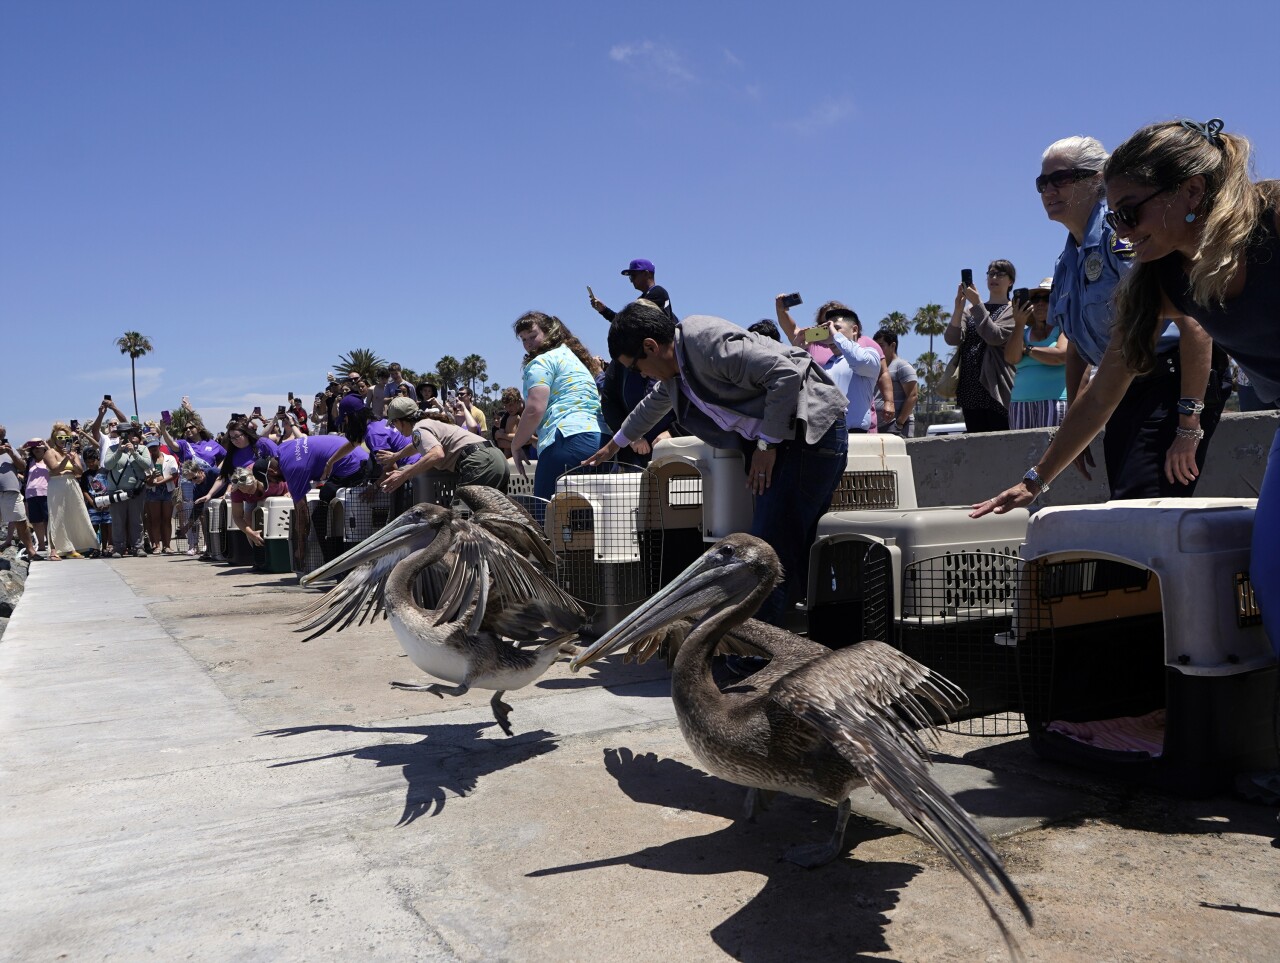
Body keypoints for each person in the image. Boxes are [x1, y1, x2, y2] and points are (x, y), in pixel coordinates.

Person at [973, 118, 1280, 804]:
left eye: (1132, 210)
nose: (1123, 227)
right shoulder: (1159, 273)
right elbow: (1106, 384)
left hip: (1193, 399)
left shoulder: (1270, 225)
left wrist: (1188, 423)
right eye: (1115, 214)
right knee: (1271, 566)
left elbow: (1192, 347)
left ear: (1191, 192)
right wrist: (1035, 477)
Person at [584, 303, 849, 626]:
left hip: (809, 433)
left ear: (651, 347)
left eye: (637, 366)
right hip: (786, 441)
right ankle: (782, 643)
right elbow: (651, 406)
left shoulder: (704, 342)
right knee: (784, 542)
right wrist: (615, 445)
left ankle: (752, 654)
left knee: (767, 550)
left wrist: (767, 445)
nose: (641, 375)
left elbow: (784, 375)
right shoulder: (676, 372)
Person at [1036, 134, 1227, 497]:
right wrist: (1073, 430)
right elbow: (1078, 347)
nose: (1049, 190)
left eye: (1061, 179)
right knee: (1127, 502)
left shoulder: (1128, 236)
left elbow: (1193, 322)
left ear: (1097, 180)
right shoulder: (1066, 263)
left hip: (1171, 381)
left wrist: (1188, 424)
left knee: (1146, 504)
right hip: (1119, 388)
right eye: (1042, 183)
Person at [510, 311, 607, 500]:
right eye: (523, 339)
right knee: (591, 520)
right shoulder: (575, 359)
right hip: (602, 441)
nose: (528, 343)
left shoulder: (541, 362)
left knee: (547, 513)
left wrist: (516, 445)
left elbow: (534, 409)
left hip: (567, 441)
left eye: (533, 336)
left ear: (549, 333)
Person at [775, 295, 895, 432]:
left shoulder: (867, 348)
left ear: (854, 329)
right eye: (826, 324)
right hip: (826, 432)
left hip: (855, 430)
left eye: (835, 326)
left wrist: (889, 401)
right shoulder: (825, 358)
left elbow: (871, 367)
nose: (830, 331)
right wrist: (796, 348)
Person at [272, 432, 371, 566]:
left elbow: (302, 514)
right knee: (324, 496)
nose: (274, 484)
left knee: (318, 517)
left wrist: (300, 548)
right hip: (354, 456)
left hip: (353, 465)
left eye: (271, 481)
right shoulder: (283, 448)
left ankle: (331, 565)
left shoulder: (292, 468)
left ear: (272, 472)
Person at [379, 397, 509, 495]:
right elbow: (418, 445)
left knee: (460, 519)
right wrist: (396, 456)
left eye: (393, 423)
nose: (394, 427)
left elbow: (436, 454)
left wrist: (403, 475)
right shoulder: (430, 423)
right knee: (496, 519)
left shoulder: (419, 429)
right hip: (496, 457)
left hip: (479, 463)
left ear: (399, 421)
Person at [945, 261, 1018, 432]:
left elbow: (994, 336)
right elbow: (952, 338)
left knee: (1000, 443)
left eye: (1000, 274)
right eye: (991, 274)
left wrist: (977, 304)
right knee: (976, 446)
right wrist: (959, 308)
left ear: (1011, 281)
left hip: (997, 387)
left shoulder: (1013, 310)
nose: (994, 278)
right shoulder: (971, 309)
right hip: (970, 388)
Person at [1003, 278, 1070, 429]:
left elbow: (1060, 355)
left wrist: (1027, 350)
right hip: (1020, 402)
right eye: (1035, 299)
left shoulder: (1064, 329)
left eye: (1046, 298)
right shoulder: (1022, 333)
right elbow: (1012, 358)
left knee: (1052, 450)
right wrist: (1019, 323)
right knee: (1022, 451)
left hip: (1055, 401)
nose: (1040, 303)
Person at [812, 308, 882, 433]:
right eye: (828, 330)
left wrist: (836, 337)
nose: (831, 334)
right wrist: (799, 345)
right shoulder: (828, 364)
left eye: (836, 328)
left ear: (854, 330)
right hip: (827, 435)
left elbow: (859, 360)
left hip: (854, 433)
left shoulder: (869, 353)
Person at [43, 422, 96, 558]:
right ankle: (54, 550)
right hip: (57, 484)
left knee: (74, 513)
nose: (62, 441)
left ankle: (71, 547)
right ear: (54, 439)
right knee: (56, 516)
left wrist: (71, 461)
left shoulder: (73, 453)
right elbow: (55, 469)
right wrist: (65, 461)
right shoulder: (50, 452)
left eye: (65, 438)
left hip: (72, 484)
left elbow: (79, 471)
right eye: (59, 438)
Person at [104, 423, 151, 557]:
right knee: (118, 521)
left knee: (136, 520)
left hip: (136, 491)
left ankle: (138, 547)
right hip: (117, 491)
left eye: (127, 433)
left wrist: (134, 453)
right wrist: (119, 451)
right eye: (121, 434)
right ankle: (118, 548)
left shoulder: (142, 448)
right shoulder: (112, 449)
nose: (124, 436)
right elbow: (107, 465)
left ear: (132, 434)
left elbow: (147, 464)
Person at [589, 258, 676, 322]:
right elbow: (625, 322)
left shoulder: (657, 292)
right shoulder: (644, 297)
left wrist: (605, 311)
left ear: (646, 274)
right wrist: (603, 310)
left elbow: (628, 321)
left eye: (633, 276)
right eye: (630, 277)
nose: (631, 280)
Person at [872, 329, 920, 437]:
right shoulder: (876, 369)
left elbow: (913, 396)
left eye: (881, 346)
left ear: (892, 346)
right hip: (878, 426)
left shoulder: (902, 366)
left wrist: (899, 423)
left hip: (896, 427)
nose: (877, 350)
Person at [0, 428, 38, 561]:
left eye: (2, 435)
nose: (1, 438)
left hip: (11, 491)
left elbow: (22, 467)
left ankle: (31, 551)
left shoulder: (9, 449)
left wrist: (12, 454)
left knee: (21, 521)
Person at [142, 435, 179, 554]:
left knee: (166, 519)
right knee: (154, 519)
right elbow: (146, 480)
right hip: (153, 492)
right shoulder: (146, 462)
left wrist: (161, 481)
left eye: (154, 446)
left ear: (159, 445)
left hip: (167, 490)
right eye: (150, 447)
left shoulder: (170, 458)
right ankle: (156, 545)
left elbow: (174, 474)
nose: (153, 449)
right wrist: (152, 478)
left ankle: (167, 545)